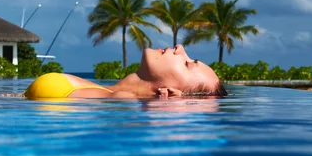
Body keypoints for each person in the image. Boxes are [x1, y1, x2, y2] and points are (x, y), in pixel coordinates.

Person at [24, 44, 227, 100]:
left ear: (170, 92)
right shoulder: (106, 92)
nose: (180, 48)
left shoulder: (121, 98)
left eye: (186, 64)